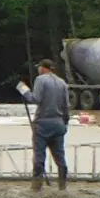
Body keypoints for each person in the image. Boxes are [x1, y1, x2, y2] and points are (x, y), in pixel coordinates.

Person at [22, 59, 72, 188]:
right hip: (58, 124)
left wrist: (24, 91)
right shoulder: (62, 83)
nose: (38, 70)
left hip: (43, 124)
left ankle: (36, 186)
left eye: (39, 67)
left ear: (43, 68)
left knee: (39, 157)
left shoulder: (41, 80)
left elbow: (36, 99)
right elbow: (66, 106)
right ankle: (62, 185)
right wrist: (65, 123)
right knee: (60, 157)